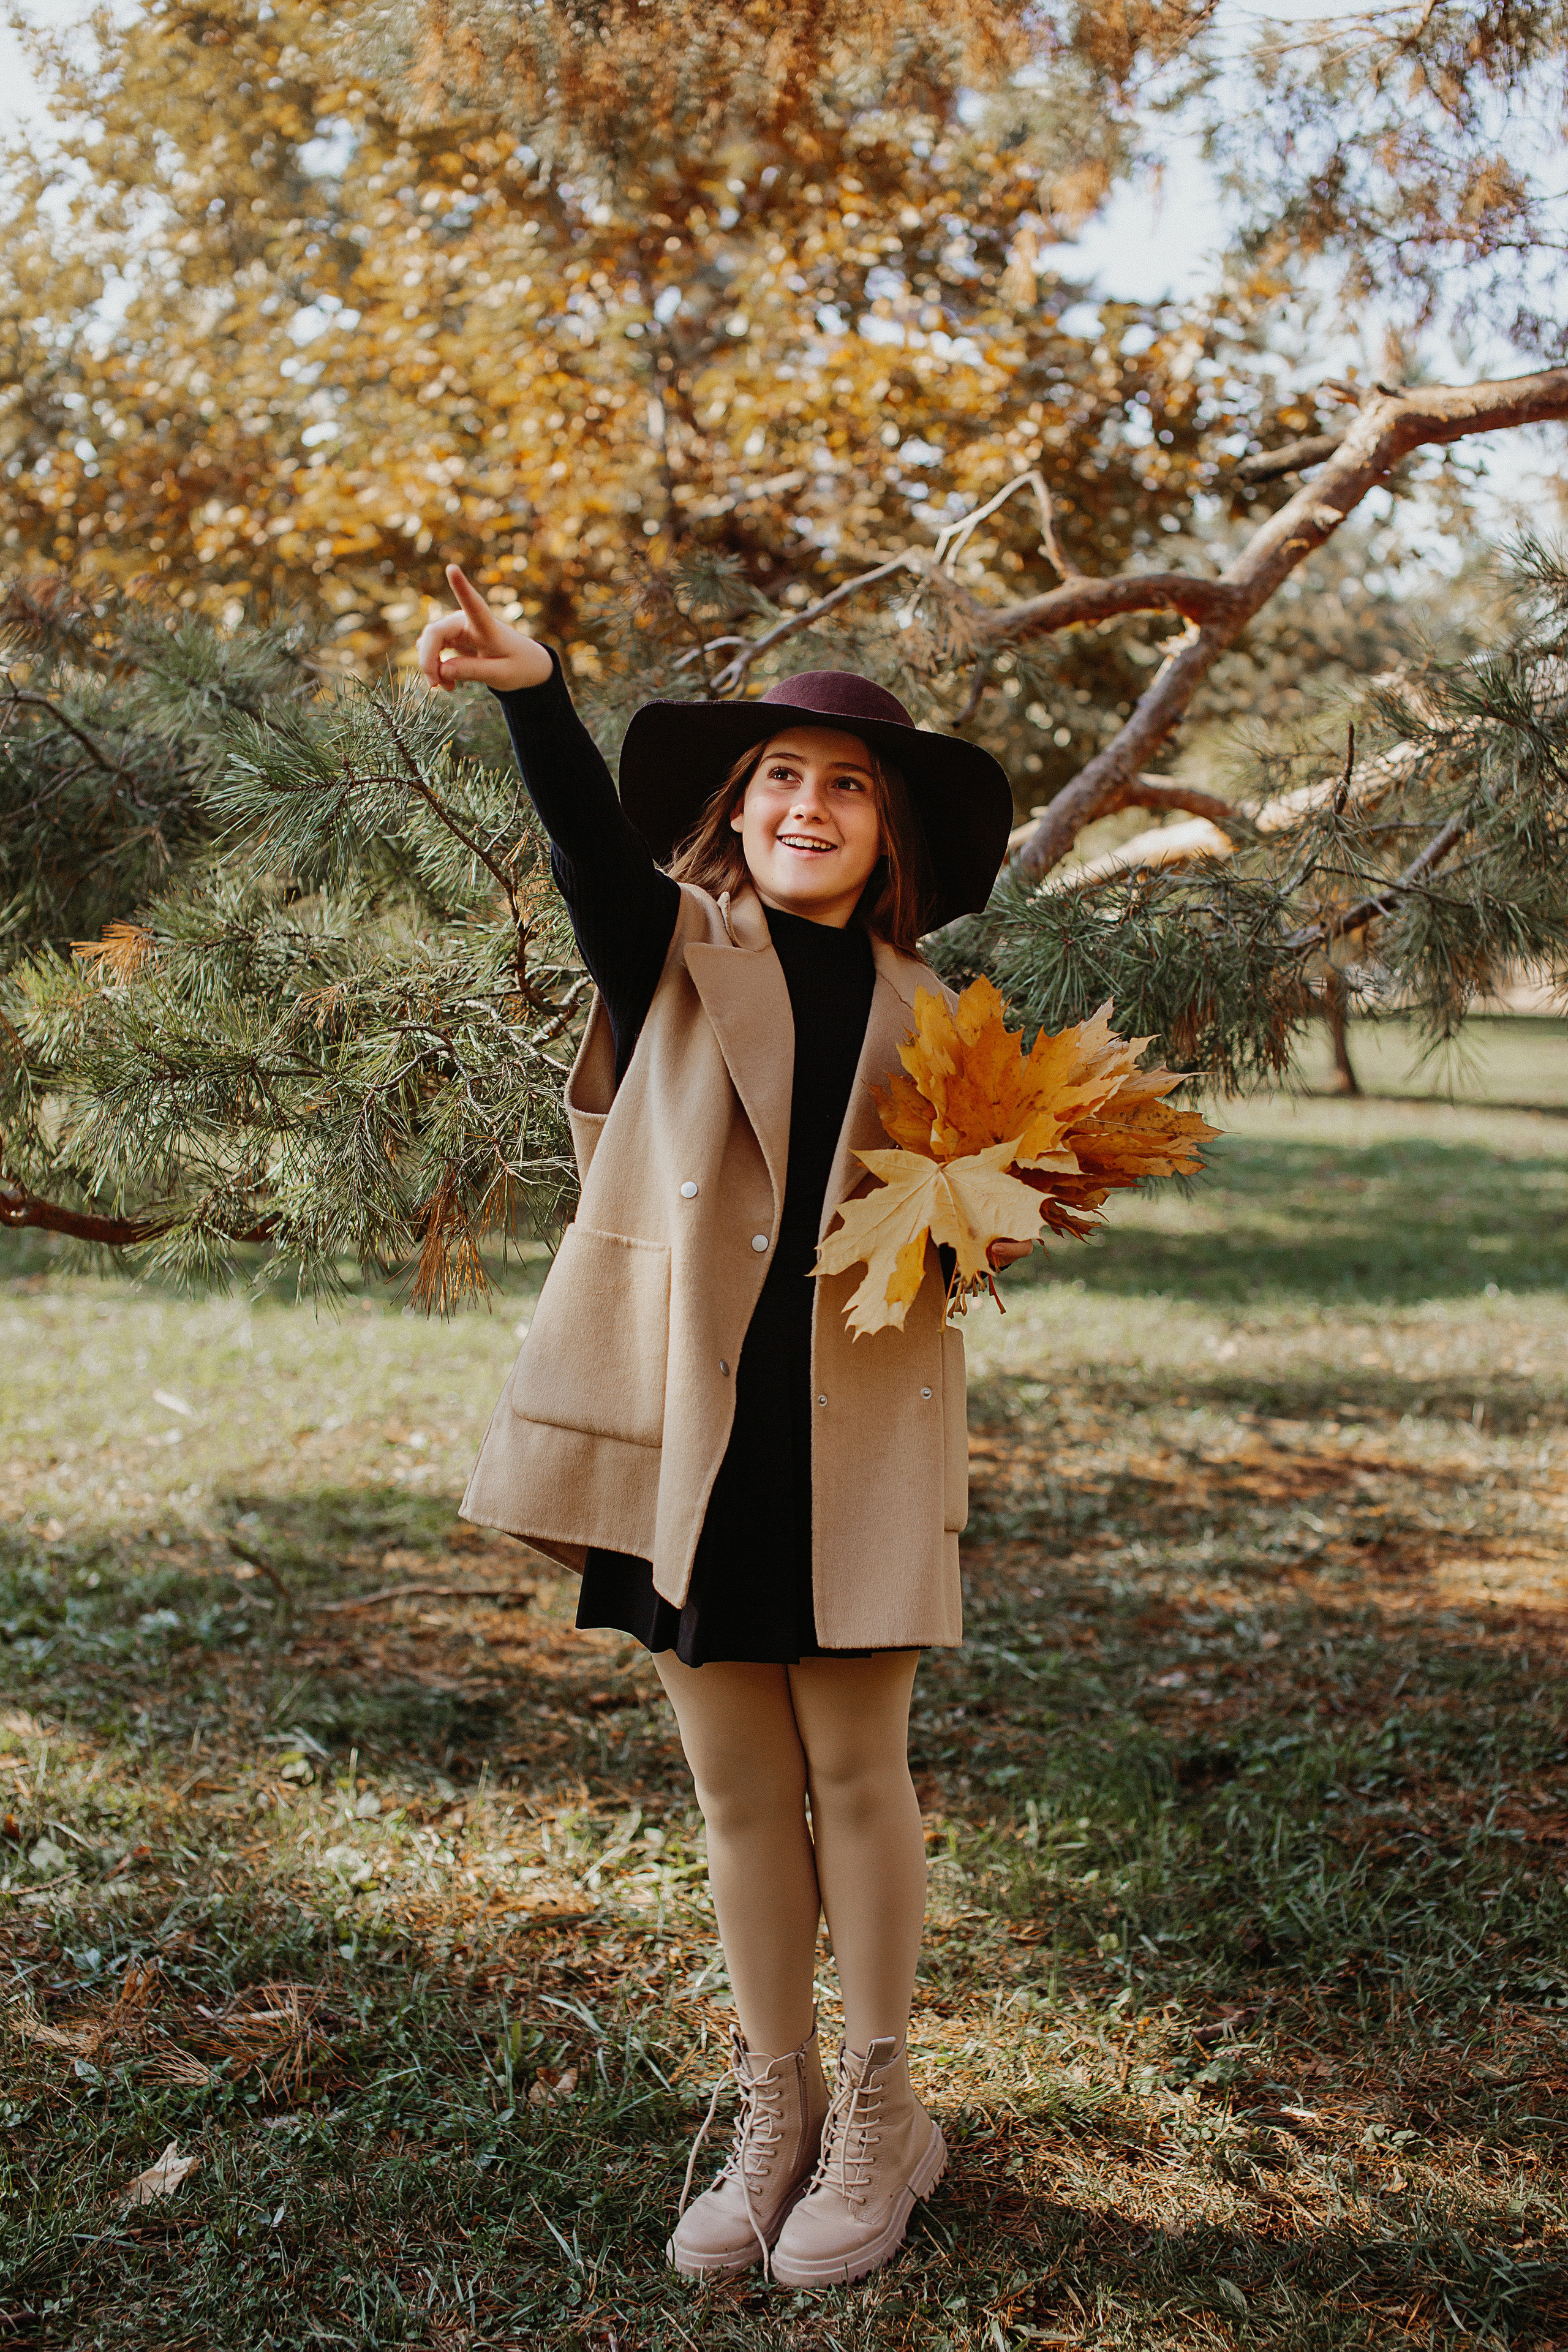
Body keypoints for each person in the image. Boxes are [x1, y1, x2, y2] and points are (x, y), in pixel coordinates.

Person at [416, 565, 1026, 2289]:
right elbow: (591, 861)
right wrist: (538, 692)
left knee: (858, 1773)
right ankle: (779, 2104)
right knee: (741, 1793)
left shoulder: (944, 1023)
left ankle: (886, 2115)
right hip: (688, 1429)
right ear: (735, 816)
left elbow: (989, 1207)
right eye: (779, 780)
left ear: (885, 831)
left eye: (844, 787)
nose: (807, 805)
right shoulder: (680, 950)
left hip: (855, 1446)